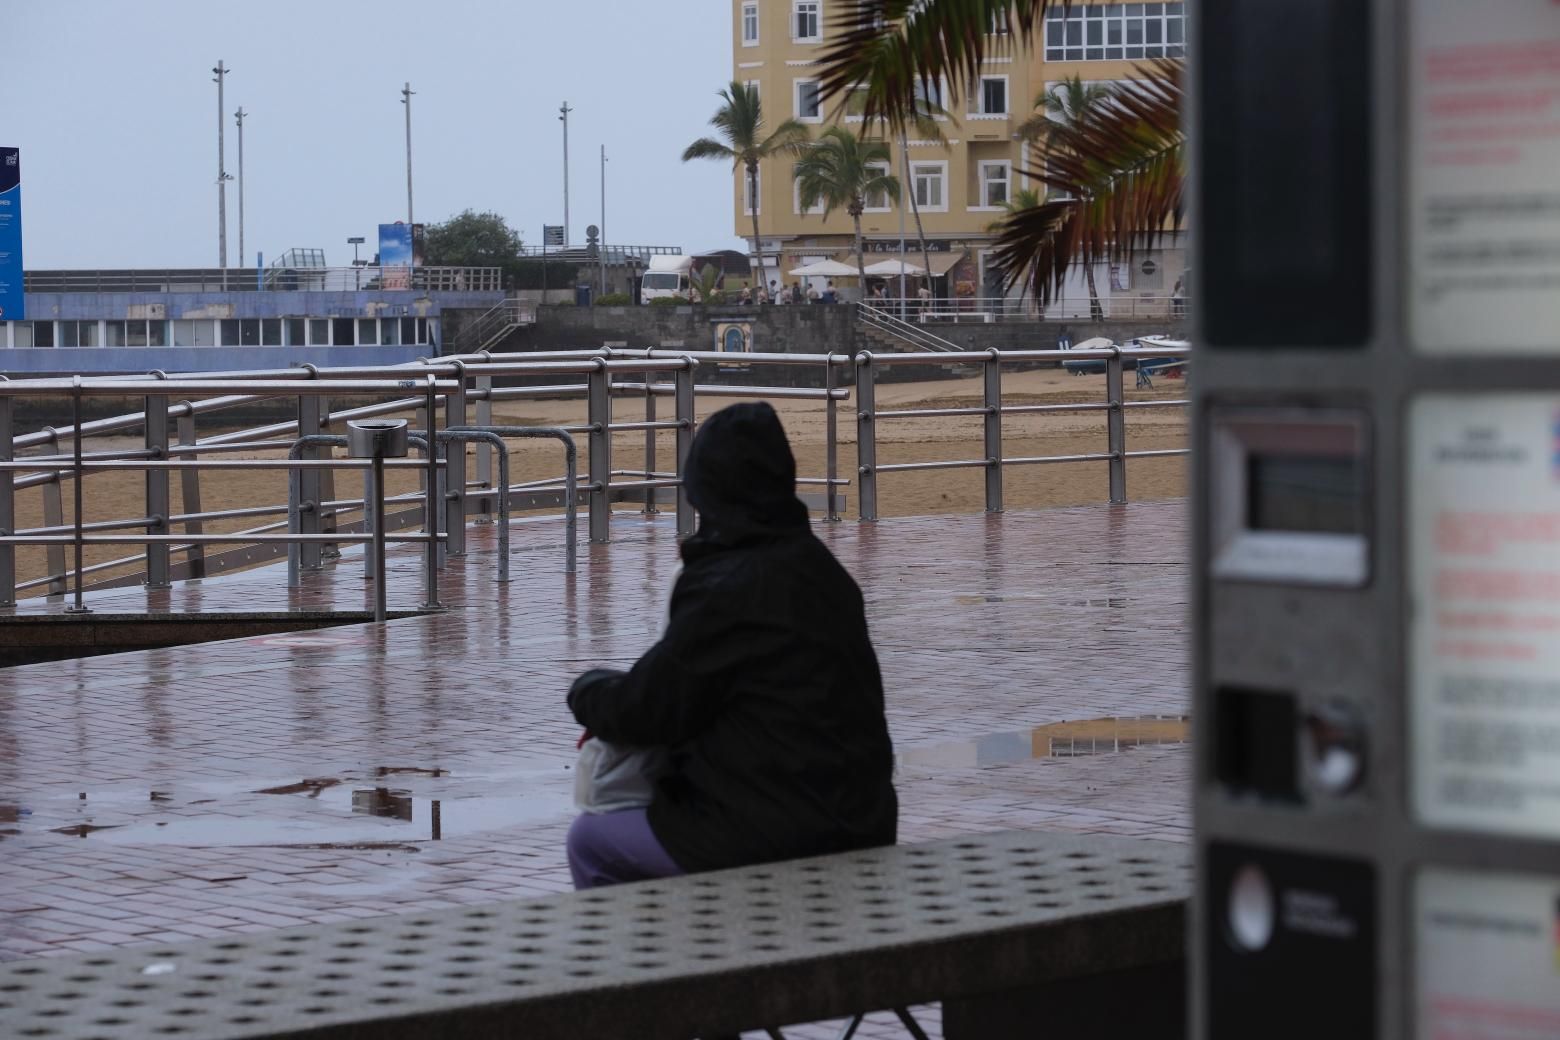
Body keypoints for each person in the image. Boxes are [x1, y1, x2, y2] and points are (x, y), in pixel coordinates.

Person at [565, 402, 898, 889]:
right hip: (862, 821)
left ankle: (655, 964)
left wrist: (587, 692)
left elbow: (654, 706)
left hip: (774, 831)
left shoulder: (723, 585)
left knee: (591, 840)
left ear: (705, 491)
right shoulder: (825, 573)